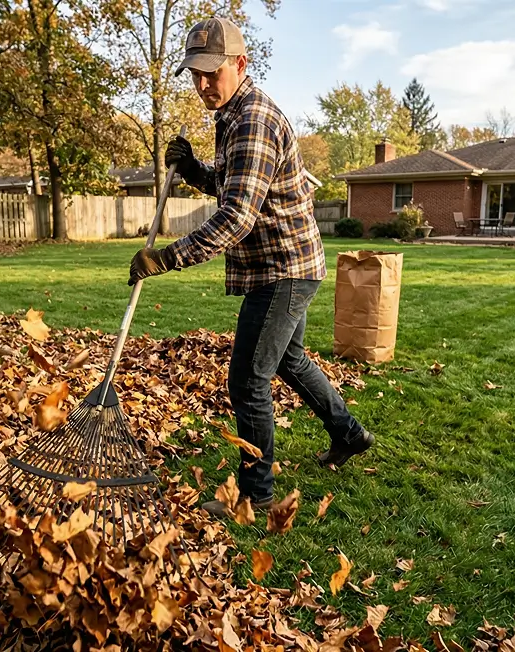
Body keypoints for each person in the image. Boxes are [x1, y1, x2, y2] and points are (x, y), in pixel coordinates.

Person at [128, 16, 373, 517]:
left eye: (210, 73)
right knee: (290, 360)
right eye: (194, 74)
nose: (201, 85)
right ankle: (350, 434)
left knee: (247, 380)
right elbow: (236, 185)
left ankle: (256, 495)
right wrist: (195, 168)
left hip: (282, 268)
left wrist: (168, 257)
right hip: (290, 262)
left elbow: (237, 215)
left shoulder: (254, 119)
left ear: (240, 64)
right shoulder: (235, 117)